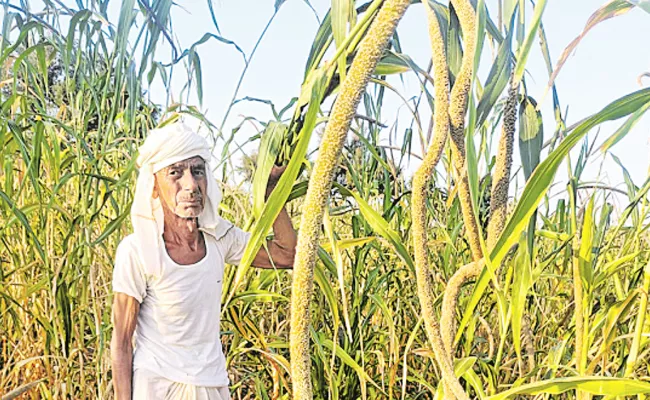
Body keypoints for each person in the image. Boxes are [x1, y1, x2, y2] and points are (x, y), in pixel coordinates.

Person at [110, 122, 297, 400]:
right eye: (175, 173)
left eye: (198, 171)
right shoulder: (137, 250)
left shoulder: (219, 238)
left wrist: (272, 189)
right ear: (154, 186)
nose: (191, 185)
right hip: (158, 387)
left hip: (211, 384)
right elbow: (122, 342)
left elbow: (287, 254)